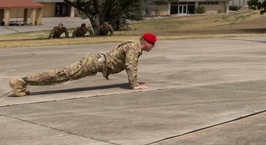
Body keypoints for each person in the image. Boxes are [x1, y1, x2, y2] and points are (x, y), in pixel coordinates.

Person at [9, 33, 157, 96]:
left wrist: (135, 81)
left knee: (63, 75)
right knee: (63, 74)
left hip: (95, 62)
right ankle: (21, 81)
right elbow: (131, 65)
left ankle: (22, 83)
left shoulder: (133, 45)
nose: (153, 47)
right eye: (153, 45)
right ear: (146, 43)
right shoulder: (134, 47)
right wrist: (134, 84)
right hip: (94, 63)